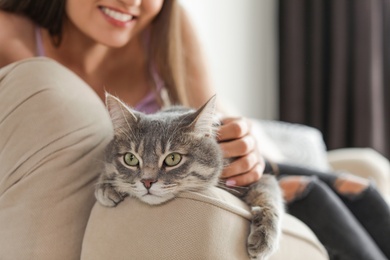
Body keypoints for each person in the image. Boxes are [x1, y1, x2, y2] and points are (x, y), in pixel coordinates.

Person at [0, 0, 389, 259]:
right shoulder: (10, 35)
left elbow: (213, 121)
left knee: (362, 189)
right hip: (143, 174)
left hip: (202, 168)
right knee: (318, 198)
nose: (132, 2)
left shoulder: (164, 28)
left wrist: (247, 147)